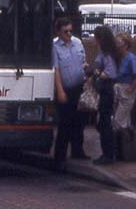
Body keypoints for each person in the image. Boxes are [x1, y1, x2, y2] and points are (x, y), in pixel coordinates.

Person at [52, 18, 89, 171]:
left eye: (70, 31)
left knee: (79, 121)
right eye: (65, 31)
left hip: (79, 87)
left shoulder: (78, 43)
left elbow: (83, 62)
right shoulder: (54, 46)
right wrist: (60, 91)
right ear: (58, 32)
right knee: (65, 124)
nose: (68, 34)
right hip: (65, 89)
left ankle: (77, 151)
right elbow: (56, 70)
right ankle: (59, 158)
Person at [91, 25, 120, 165]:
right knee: (103, 121)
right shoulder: (104, 53)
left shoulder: (107, 54)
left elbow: (110, 72)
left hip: (107, 89)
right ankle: (108, 152)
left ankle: (108, 154)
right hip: (105, 89)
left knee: (104, 121)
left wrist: (98, 74)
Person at [113, 33, 136, 131]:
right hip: (119, 88)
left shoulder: (131, 59)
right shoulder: (119, 57)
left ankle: (119, 142)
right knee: (124, 118)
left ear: (125, 44)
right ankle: (127, 142)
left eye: (118, 43)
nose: (116, 45)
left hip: (126, 88)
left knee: (119, 119)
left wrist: (130, 89)